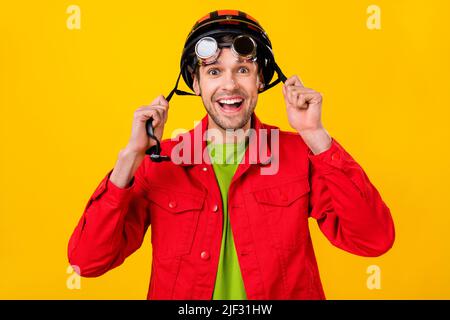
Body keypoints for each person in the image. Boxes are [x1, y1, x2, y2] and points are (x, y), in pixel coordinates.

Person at [68, 10, 395, 300]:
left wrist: (316, 136)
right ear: (194, 82)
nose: (229, 85)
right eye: (213, 72)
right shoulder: (158, 162)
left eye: (242, 70)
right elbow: (88, 261)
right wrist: (130, 157)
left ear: (261, 79)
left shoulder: (300, 154)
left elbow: (373, 240)